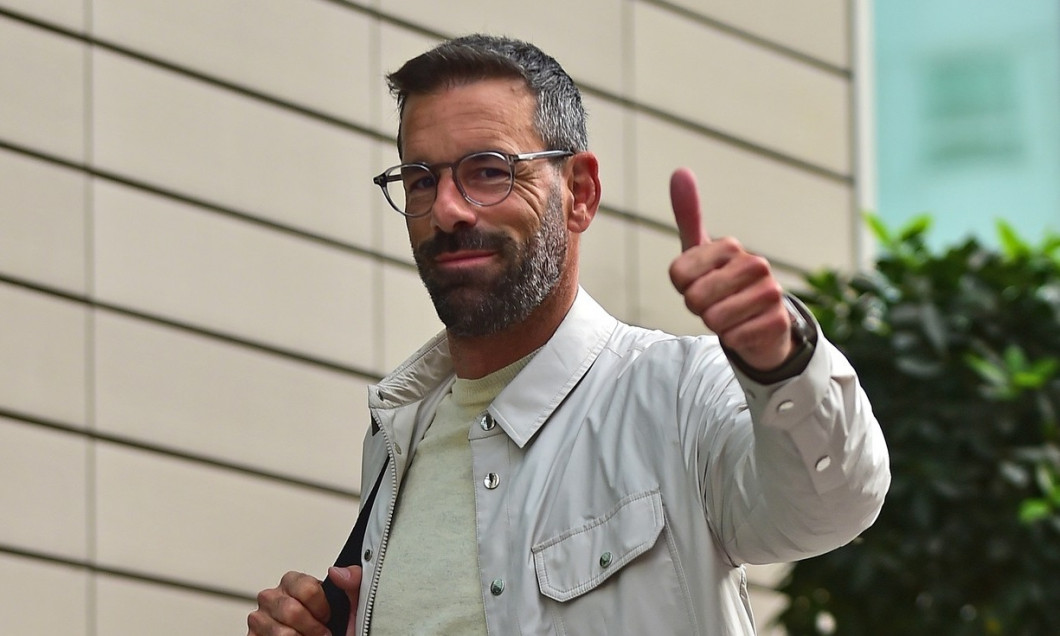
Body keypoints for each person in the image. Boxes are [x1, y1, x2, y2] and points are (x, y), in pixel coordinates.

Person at [247, 34, 889, 636]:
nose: (447, 208)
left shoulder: (675, 392)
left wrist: (781, 361)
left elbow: (834, 503)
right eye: (421, 179)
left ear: (579, 192)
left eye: (489, 170)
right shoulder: (398, 433)